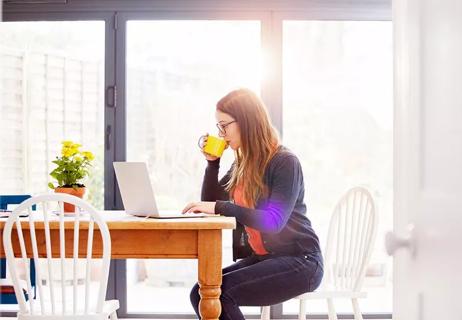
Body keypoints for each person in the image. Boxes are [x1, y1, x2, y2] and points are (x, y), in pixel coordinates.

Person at [182, 88, 323, 320]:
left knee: (222, 293)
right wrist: (213, 164)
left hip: (302, 261)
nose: (221, 133)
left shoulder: (284, 162)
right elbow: (211, 204)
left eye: (224, 125)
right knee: (201, 293)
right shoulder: (243, 164)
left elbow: (273, 221)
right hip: (267, 258)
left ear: (245, 122)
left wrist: (220, 207)